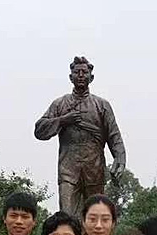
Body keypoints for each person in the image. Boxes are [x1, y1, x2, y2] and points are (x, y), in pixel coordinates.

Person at [34, 55, 126, 219]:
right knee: (66, 216)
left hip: (94, 167)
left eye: (84, 72)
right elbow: (40, 131)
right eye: (77, 72)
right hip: (68, 169)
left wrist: (120, 158)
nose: (81, 75)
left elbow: (114, 135)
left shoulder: (101, 105)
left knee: (95, 215)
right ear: (71, 77)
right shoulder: (60, 104)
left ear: (91, 77)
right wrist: (63, 120)